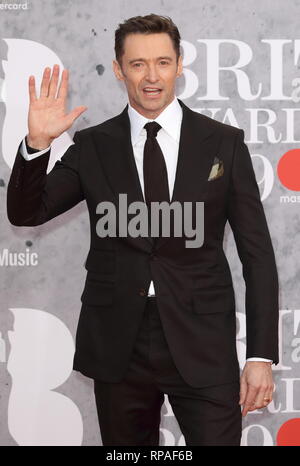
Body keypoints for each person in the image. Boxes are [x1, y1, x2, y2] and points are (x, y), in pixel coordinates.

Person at [7, 14, 279, 446]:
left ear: (179, 65)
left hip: (202, 343)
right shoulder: (94, 145)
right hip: (119, 346)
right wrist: (37, 146)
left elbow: (258, 255)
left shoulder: (223, 143)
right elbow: (27, 213)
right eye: (137, 64)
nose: (151, 77)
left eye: (162, 62)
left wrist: (261, 355)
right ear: (119, 69)